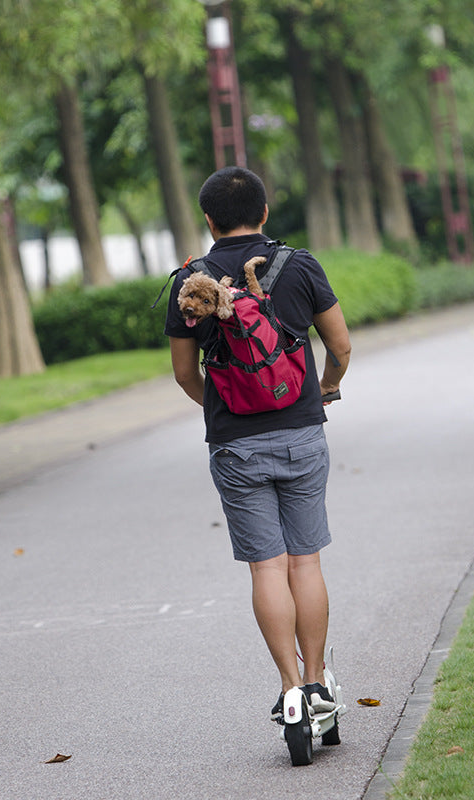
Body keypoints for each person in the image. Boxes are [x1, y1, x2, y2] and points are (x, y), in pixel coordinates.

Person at [164, 167, 351, 720]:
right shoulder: (298, 265)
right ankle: (318, 685)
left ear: (208, 219)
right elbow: (339, 346)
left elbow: (182, 374)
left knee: (267, 569)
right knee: (305, 561)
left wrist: (223, 410)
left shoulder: (190, 282)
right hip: (300, 430)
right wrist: (324, 391)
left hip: (235, 444)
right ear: (264, 213)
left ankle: (291, 690)